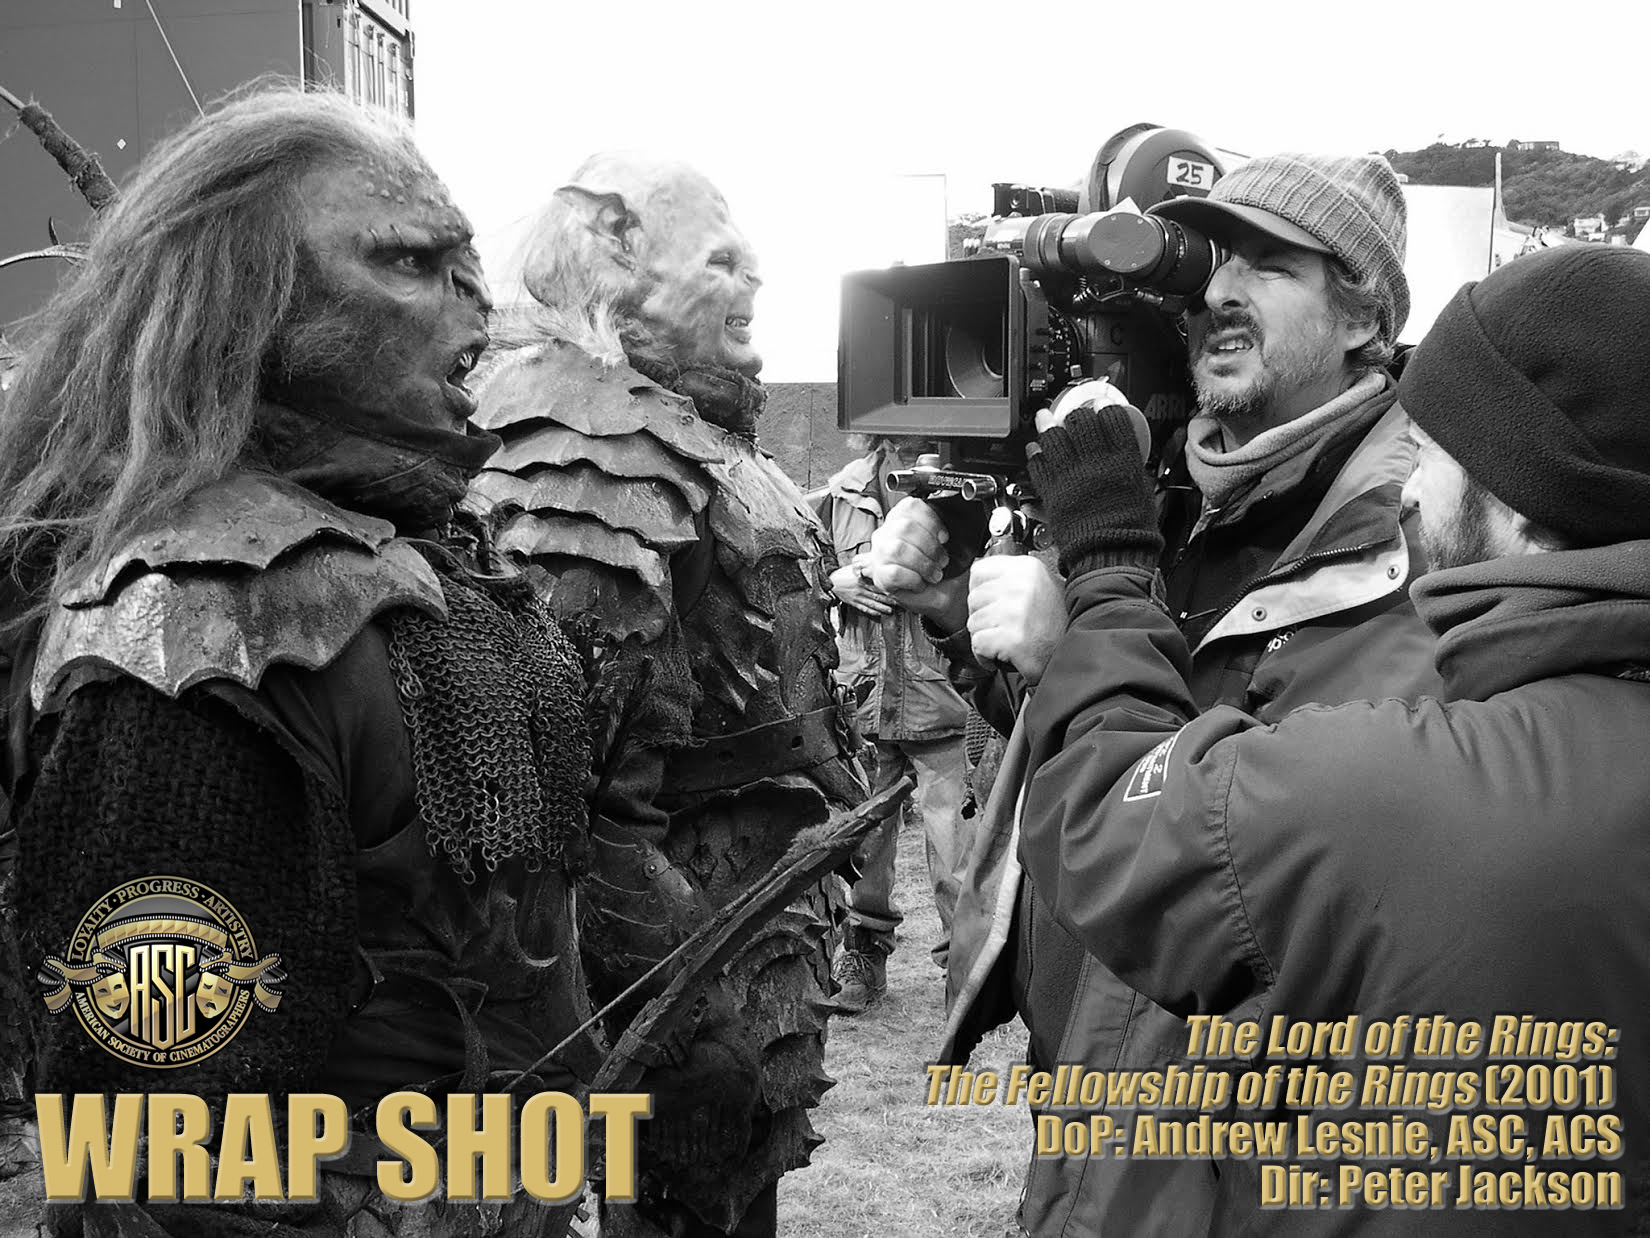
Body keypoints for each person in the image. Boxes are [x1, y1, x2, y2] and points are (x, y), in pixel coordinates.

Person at [0, 88, 601, 1237]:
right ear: (252, 300)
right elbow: (162, 1158)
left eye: (468, 262)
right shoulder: (195, 636)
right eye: (410, 263)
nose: (476, 303)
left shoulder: (426, 556)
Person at [1005, 239, 1650, 1236]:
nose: (1402, 490)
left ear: (1524, 486)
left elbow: (1105, 823)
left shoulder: (1417, 782)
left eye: (1430, 454)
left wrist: (1105, 568)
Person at [870, 152, 1444, 1234]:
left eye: (1271, 263)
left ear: (1369, 315)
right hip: (1100, 1080)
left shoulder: (1410, 532)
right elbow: (1099, 747)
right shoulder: (1185, 492)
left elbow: (1222, 830)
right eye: (1213, 262)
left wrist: (1097, 599)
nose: (1220, 289)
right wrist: (973, 614)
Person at [470, 153, 866, 1238]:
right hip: (674, 927)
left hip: (746, 900)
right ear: (616, 256)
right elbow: (566, 792)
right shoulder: (600, 450)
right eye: (721, 261)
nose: (755, 284)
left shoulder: (687, 432)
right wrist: (677, 1009)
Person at [815, 435, 971, 1013]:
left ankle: (964, 970)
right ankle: (862, 961)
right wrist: (837, 581)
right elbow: (798, 564)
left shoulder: (960, 490)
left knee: (954, 849)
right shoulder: (841, 494)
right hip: (865, 701)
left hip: (939, 701)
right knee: (865, 848)